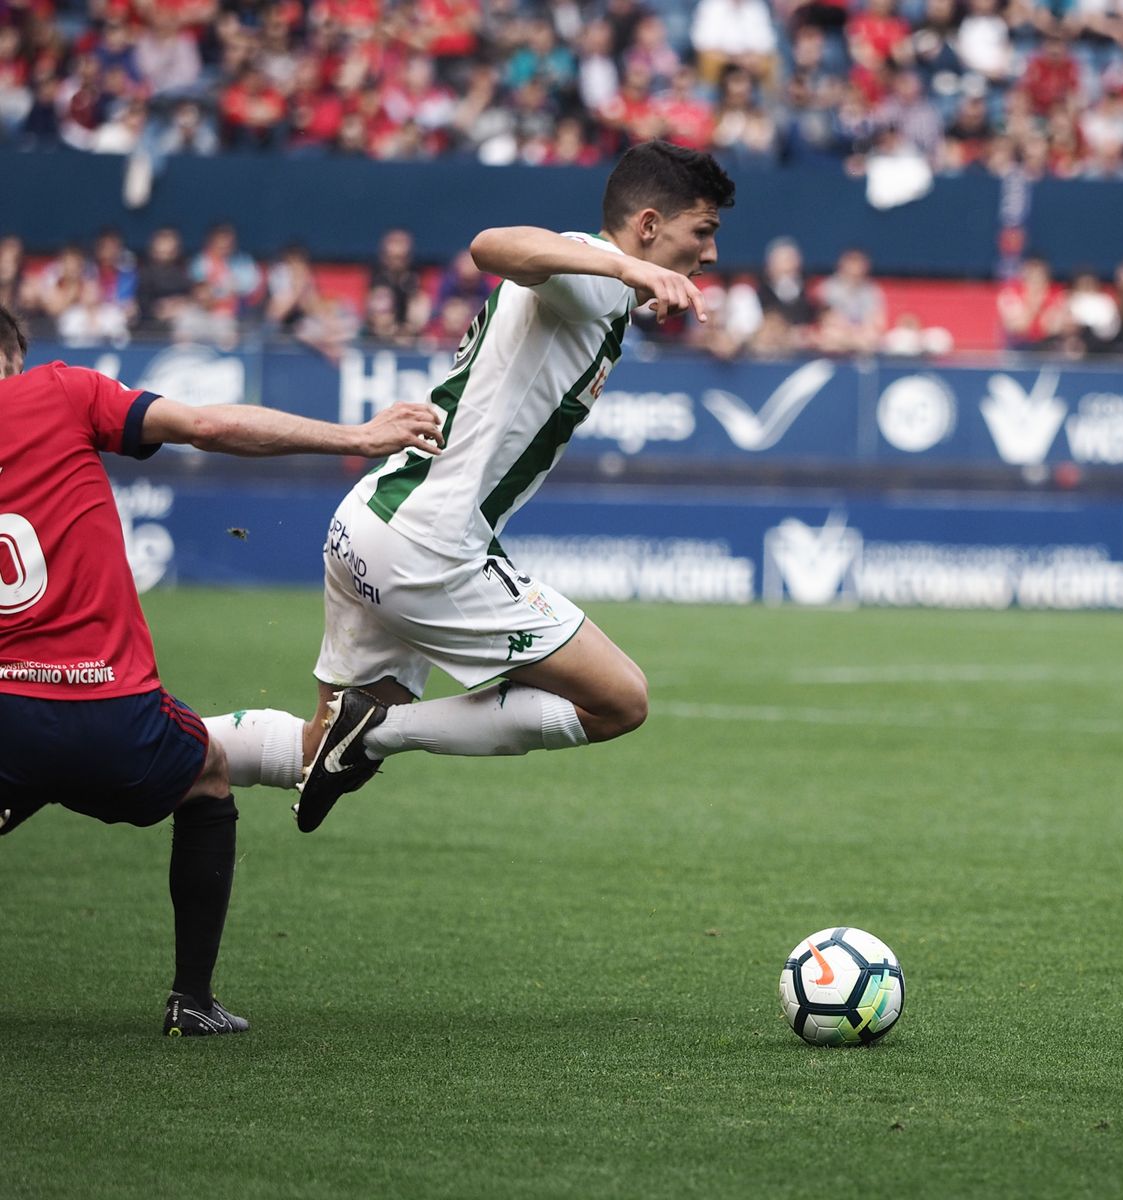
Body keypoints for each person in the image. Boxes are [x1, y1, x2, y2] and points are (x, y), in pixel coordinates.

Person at [240, 140, 734, 834]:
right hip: (428, 548)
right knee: (621, 700)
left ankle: (160, 751)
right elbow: (492, 245)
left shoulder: (603, 289)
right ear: (649, 226)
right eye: (702, 232)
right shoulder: (592, 272)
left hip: (371, 523)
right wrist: (623, 265)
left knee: (313, 749)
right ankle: (375, 732)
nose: (709, 254)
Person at [0, 304, 442, 1036]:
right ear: (13, 358)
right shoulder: (59, 390)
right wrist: (358, 437)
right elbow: (207, 427)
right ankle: (191, 1000)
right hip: (107, 710)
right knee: (205, 774)